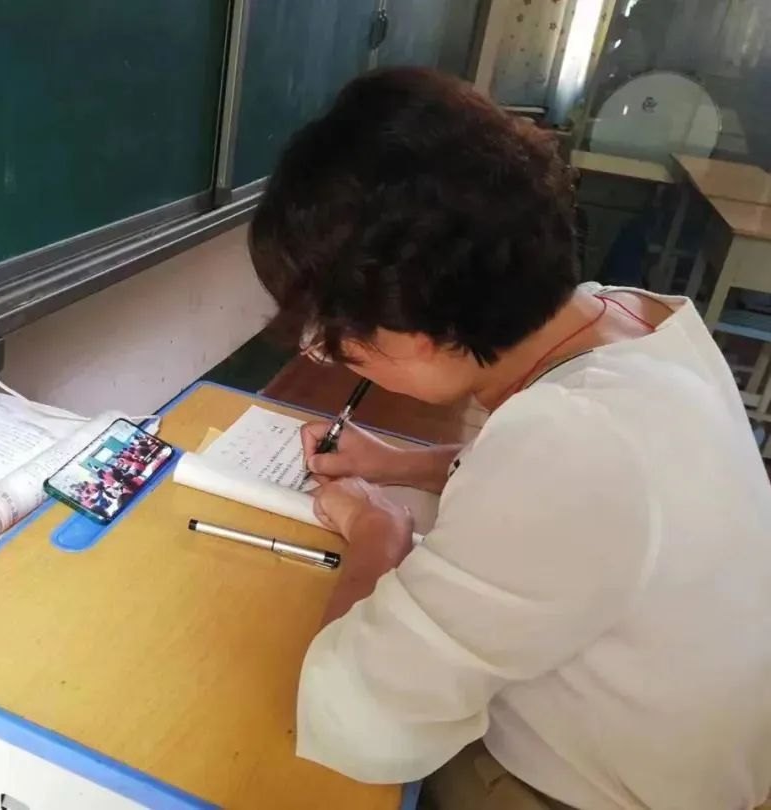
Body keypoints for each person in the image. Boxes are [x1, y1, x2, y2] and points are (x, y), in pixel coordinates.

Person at [248, 67, 771, 810]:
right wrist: (394, 461)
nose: (330, 355)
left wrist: (377, 532)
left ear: (409, 330)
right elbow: (586, 501)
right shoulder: (633, 316)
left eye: (331, 340)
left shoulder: (571, 443)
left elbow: (357, 720)